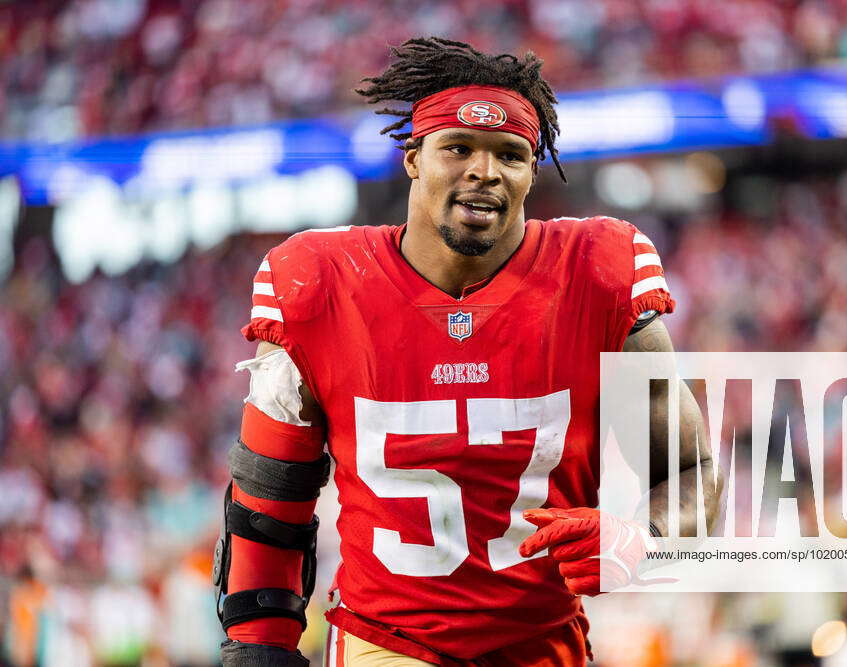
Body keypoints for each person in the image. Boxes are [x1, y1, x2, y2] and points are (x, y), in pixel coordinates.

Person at [212, 37, 718, 666]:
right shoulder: (316, 282)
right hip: (385, 645)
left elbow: (689, 469)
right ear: (412, 159)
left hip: (542, 646)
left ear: (533, 171)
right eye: (458, 147)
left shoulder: (599, 275)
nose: (485, 170)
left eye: (511, 154)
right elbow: (269, 507)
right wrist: (259, 649)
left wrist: (648, 540)